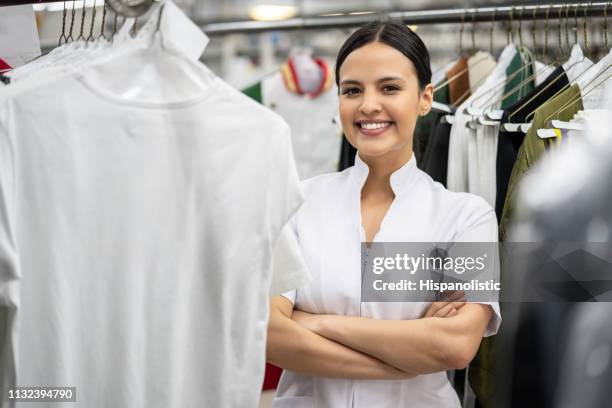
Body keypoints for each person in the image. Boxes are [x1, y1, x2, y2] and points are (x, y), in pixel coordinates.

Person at [266, 21, 501, 408]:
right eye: (352, 90)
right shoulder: (294, 204)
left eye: (389, 88)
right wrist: (405, 353)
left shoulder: (468, 217)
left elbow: (457, 346)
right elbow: (269, 336)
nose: (368, 105)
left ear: (425, 98)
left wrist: (314, 323)